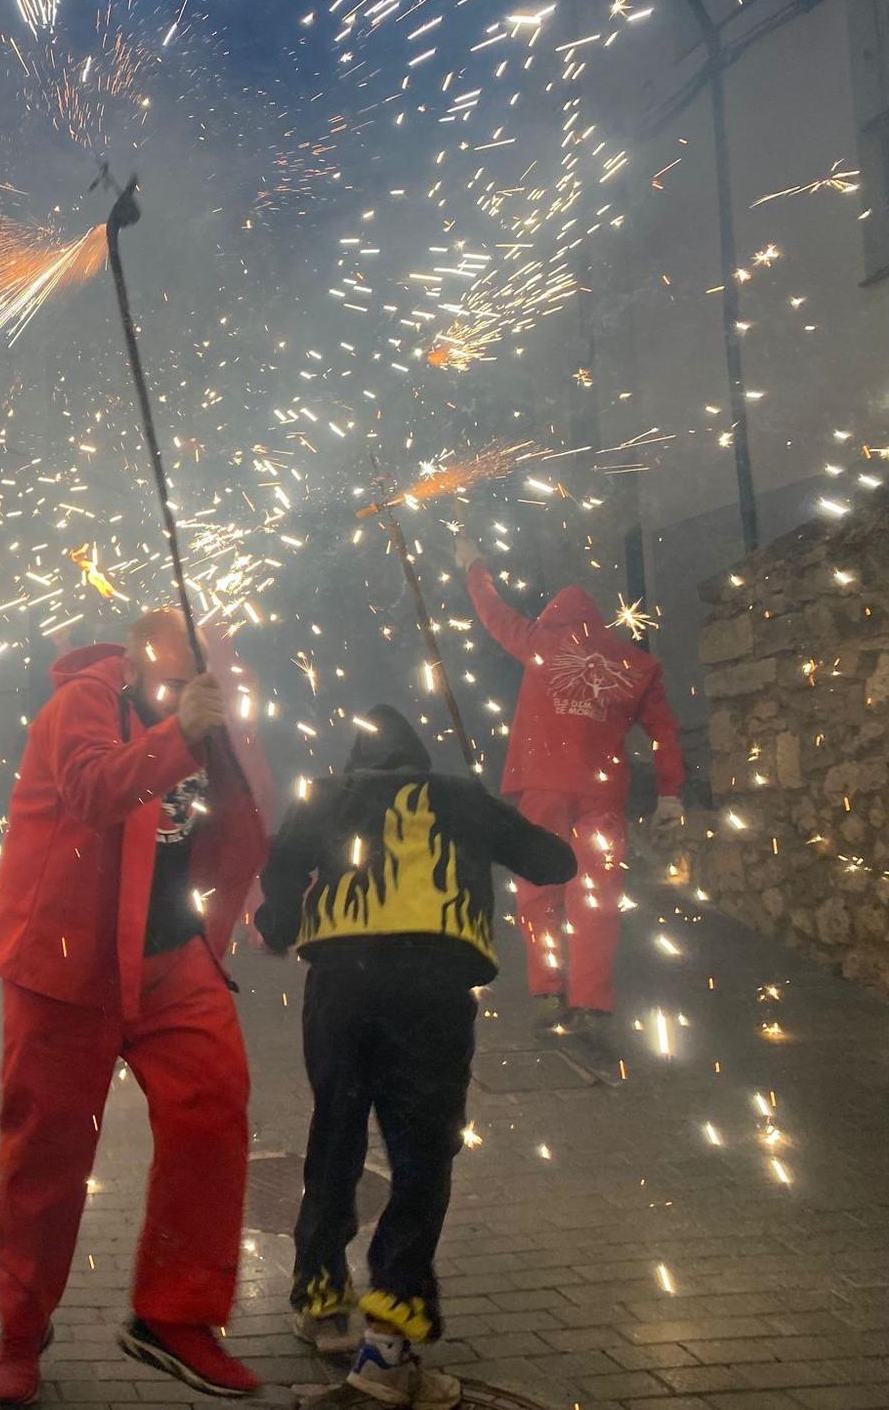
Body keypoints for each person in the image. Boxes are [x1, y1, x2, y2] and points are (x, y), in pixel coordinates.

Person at [0, 609, 271, 1406]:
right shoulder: (80, 702)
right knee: (47, 1155)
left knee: (213, 1106)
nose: (183, 696)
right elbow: (93, 787)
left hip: (172, 956)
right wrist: (180, 728)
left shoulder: (214, 706)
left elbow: (251, 816)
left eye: (196, 685)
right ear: (142, 669)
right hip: (64, 968)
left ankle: (172, 1316)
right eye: (170, 685)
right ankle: (21, 1324)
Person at [256, 703, 577, 1408]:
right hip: (432, 994)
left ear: (357, 763)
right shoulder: (461, 797)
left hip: (340, 990)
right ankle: (388, 1345)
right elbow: (556, 863)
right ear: (421, 762)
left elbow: (278, 865)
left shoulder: (328, 795)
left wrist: (276, 925)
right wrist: (504, 815)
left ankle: (319, 1295)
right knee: (421, 1160)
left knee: (334, 1134)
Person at [455, 538, 686, 1031]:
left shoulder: (539, 641)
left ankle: (546, 989)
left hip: (541, 788)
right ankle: (592, 1001)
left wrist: (474, 565)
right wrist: (669, 792)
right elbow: (665, 731)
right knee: (596, 895)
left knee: (538, 890)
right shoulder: (636, 665)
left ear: (555, 617)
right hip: (602, 793)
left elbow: (492, 612)